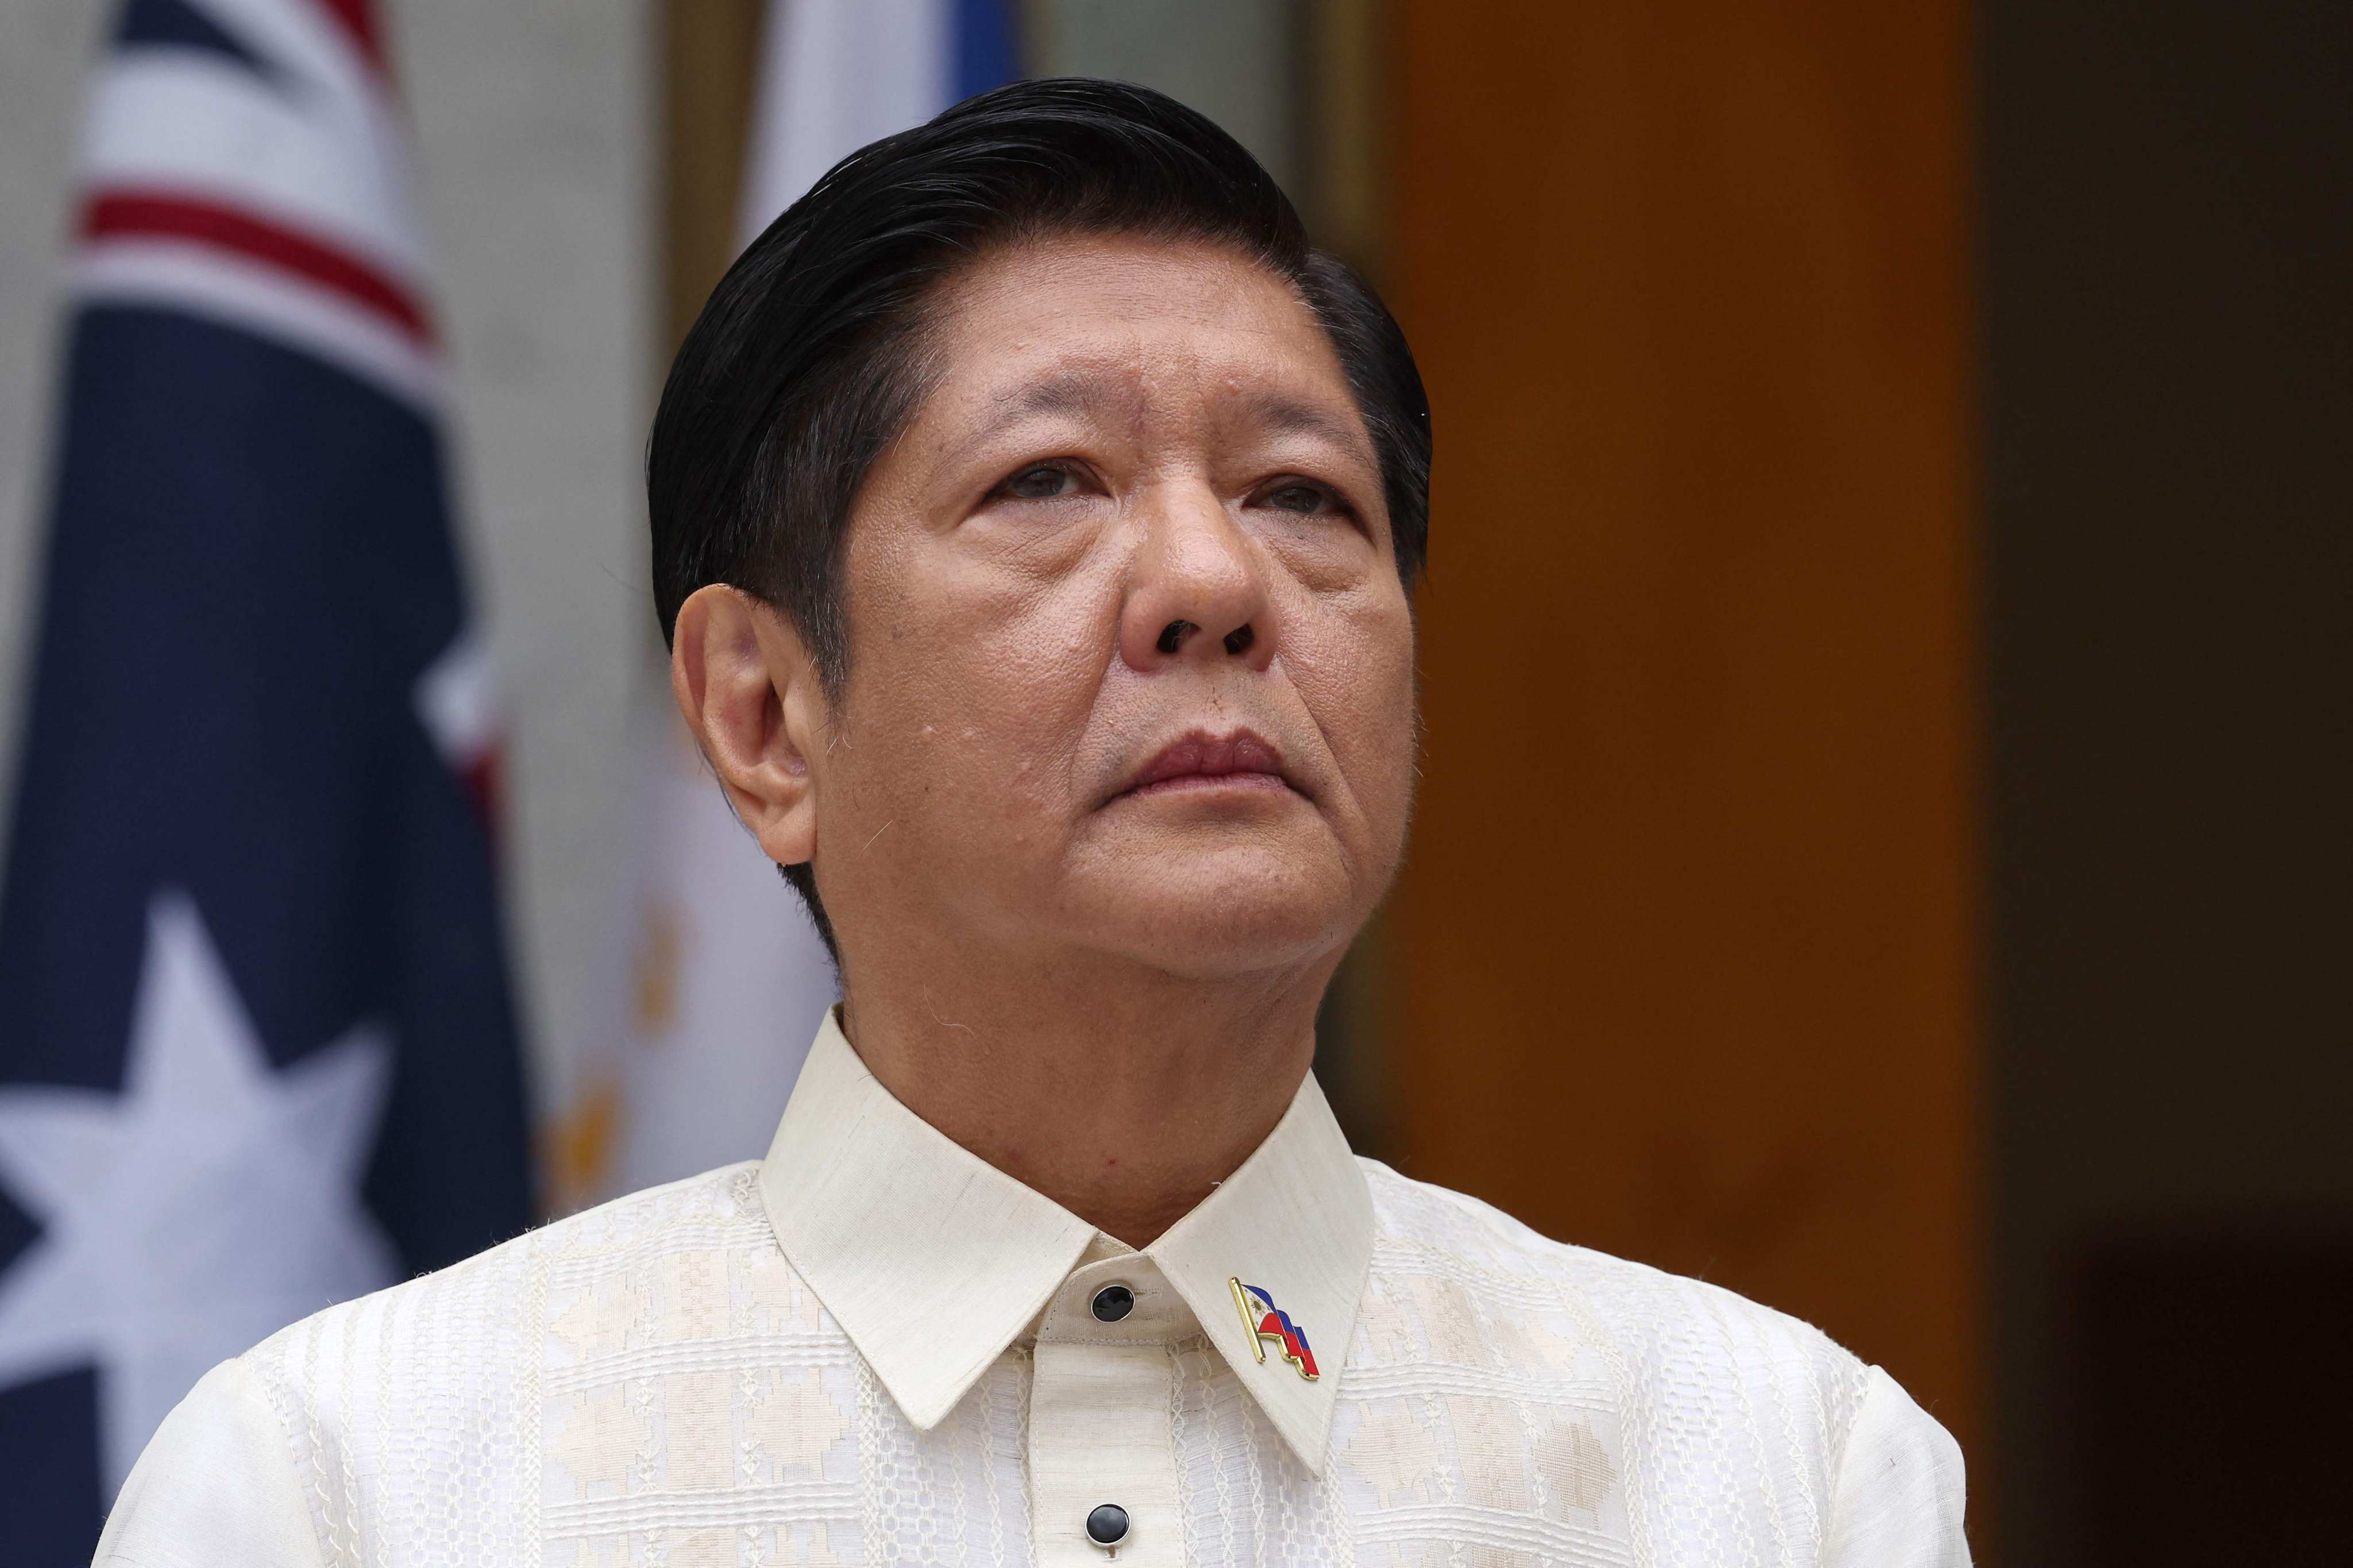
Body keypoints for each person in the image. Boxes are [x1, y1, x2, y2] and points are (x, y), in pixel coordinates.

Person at [96, 79, 1968, 1567]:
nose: (1215, 580)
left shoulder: (1776, 1479)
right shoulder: (350, 1489)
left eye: (1306, 496)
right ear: (761, 716)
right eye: (1051, 479)